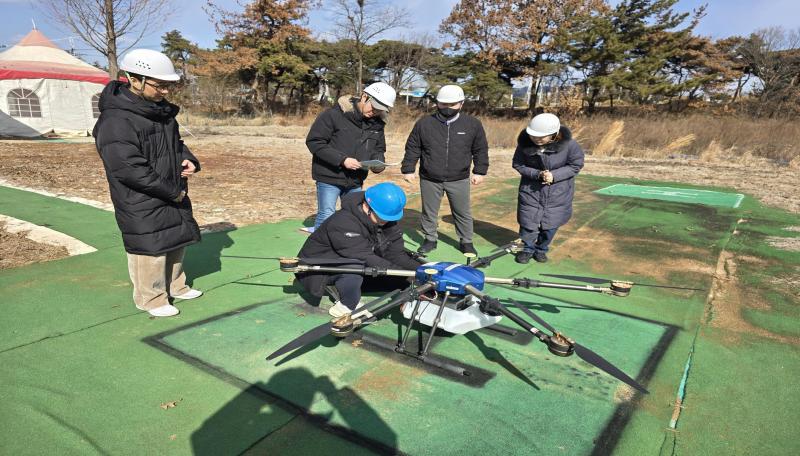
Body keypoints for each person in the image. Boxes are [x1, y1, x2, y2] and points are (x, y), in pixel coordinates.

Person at [93, 49, 203, 317]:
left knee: (175, 239)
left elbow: (175, 144)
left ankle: (175, 286)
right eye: (159, 85)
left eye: (168, 85)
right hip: (140, 195)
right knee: (149, 247)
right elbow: (128, 169)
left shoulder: (160, 111)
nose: (165, 91)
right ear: (134, 79)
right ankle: (151, 298)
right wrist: (172, 191)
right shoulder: (116, 120)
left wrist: (187, 160)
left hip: (170, 188)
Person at [295, 182, 423, 318]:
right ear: (367, 206)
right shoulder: (343, 222)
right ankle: (346, 305)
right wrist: (407, 274)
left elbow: (396, 254)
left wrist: (423, 270)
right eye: (381, 217)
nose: (385, 222)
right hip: (318, 269)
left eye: (388, 218)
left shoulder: (386, 220)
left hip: (354, 260)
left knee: (401, 280)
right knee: (356, 265)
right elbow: (364, 257)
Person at [401, 84, 489, 256]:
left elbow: (480, 149)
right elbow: (413, 147)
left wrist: (480, 171)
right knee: (429, 212)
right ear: (438, 103)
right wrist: (408, 168)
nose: (448, 108)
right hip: (429, 177)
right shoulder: (424, 124)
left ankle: (466, 242)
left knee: (462, 212)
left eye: (452, 104)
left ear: (461, 103)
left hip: (459, 178)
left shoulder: (472, 125)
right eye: (443, 104)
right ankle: (430, 239)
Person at [304, 82, 397, 233]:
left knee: (356, 215)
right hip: (329, 176)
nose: (375, 112)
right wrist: (342, 160)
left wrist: (378, 162)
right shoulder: (333, 115)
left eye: (380, 110)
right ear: (364, 97)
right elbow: (315, 142)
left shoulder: (378, 124)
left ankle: (348, 248)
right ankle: (319, 251)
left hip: (355, 179)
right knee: (327, 214)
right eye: (373, 107)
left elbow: (378, 148)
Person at [512, 113, 584, 264]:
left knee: (550, 225)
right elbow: (518, 164)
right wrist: (537, 174)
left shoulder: (570, 145)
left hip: (557, 193)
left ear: (554, 134)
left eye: (541, 137)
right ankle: (527, 249)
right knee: (528, 223)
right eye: (533, 136)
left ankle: (541, 249)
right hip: (531, 191)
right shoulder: (524, 144)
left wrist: (555, 175)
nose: (536, 139)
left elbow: (575, 165)